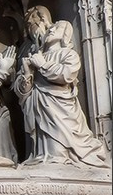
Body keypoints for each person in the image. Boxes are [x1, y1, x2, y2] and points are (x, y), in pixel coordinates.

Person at [14, 14, 106, 166]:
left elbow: (67, 74)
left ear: (65, 35)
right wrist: (27, 73)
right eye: (51, 27)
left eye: (57, 28)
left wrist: (43, 65)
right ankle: (43, 157)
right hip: (39, 109)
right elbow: (22, 93)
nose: (51, 29)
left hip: (61, 111)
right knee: (44, 150)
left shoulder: (67, 54)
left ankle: (61, 158)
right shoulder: (36, 56)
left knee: (58, 148)